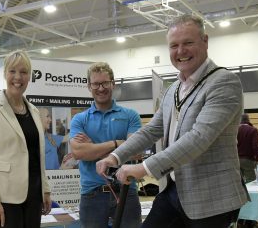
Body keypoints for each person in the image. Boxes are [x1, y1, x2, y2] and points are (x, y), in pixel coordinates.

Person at [96, 14, 249, 228]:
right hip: (173, 191)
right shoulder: (173, 90)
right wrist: (115, 156)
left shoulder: (223, 82)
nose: (180, 51)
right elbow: (151, 130)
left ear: (205, 41)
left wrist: (143, 168)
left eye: (188, 43)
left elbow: (198, 139)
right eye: (174, 45)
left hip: (210, 199)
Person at [0, 50, 51, 228]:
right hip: (2, 198)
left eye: (23, 72)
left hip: (33, 196)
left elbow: (37, 157)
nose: (18, 77)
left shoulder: (34, 110)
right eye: (12, 71)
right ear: (5, 73)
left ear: (29, 76)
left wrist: (45, 190)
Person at [69, 62, 142, 228]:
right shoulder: (80, 119)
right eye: (96, 84)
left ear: (113, 83)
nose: (101, 88)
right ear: (89, 86)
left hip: (126, 191)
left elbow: (136, 152)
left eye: (105, 83)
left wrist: (93, 148)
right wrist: (117, 143)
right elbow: (79, 152)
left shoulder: (131, 116)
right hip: (91, 195)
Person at [237, 114, 258, 183]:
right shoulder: (253, 130)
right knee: (251, 182)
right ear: (248, 120)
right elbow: (255, 146)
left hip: (236, 159)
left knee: (240, 182)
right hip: (248, 160)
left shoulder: (235, 130)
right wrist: (257, 159)